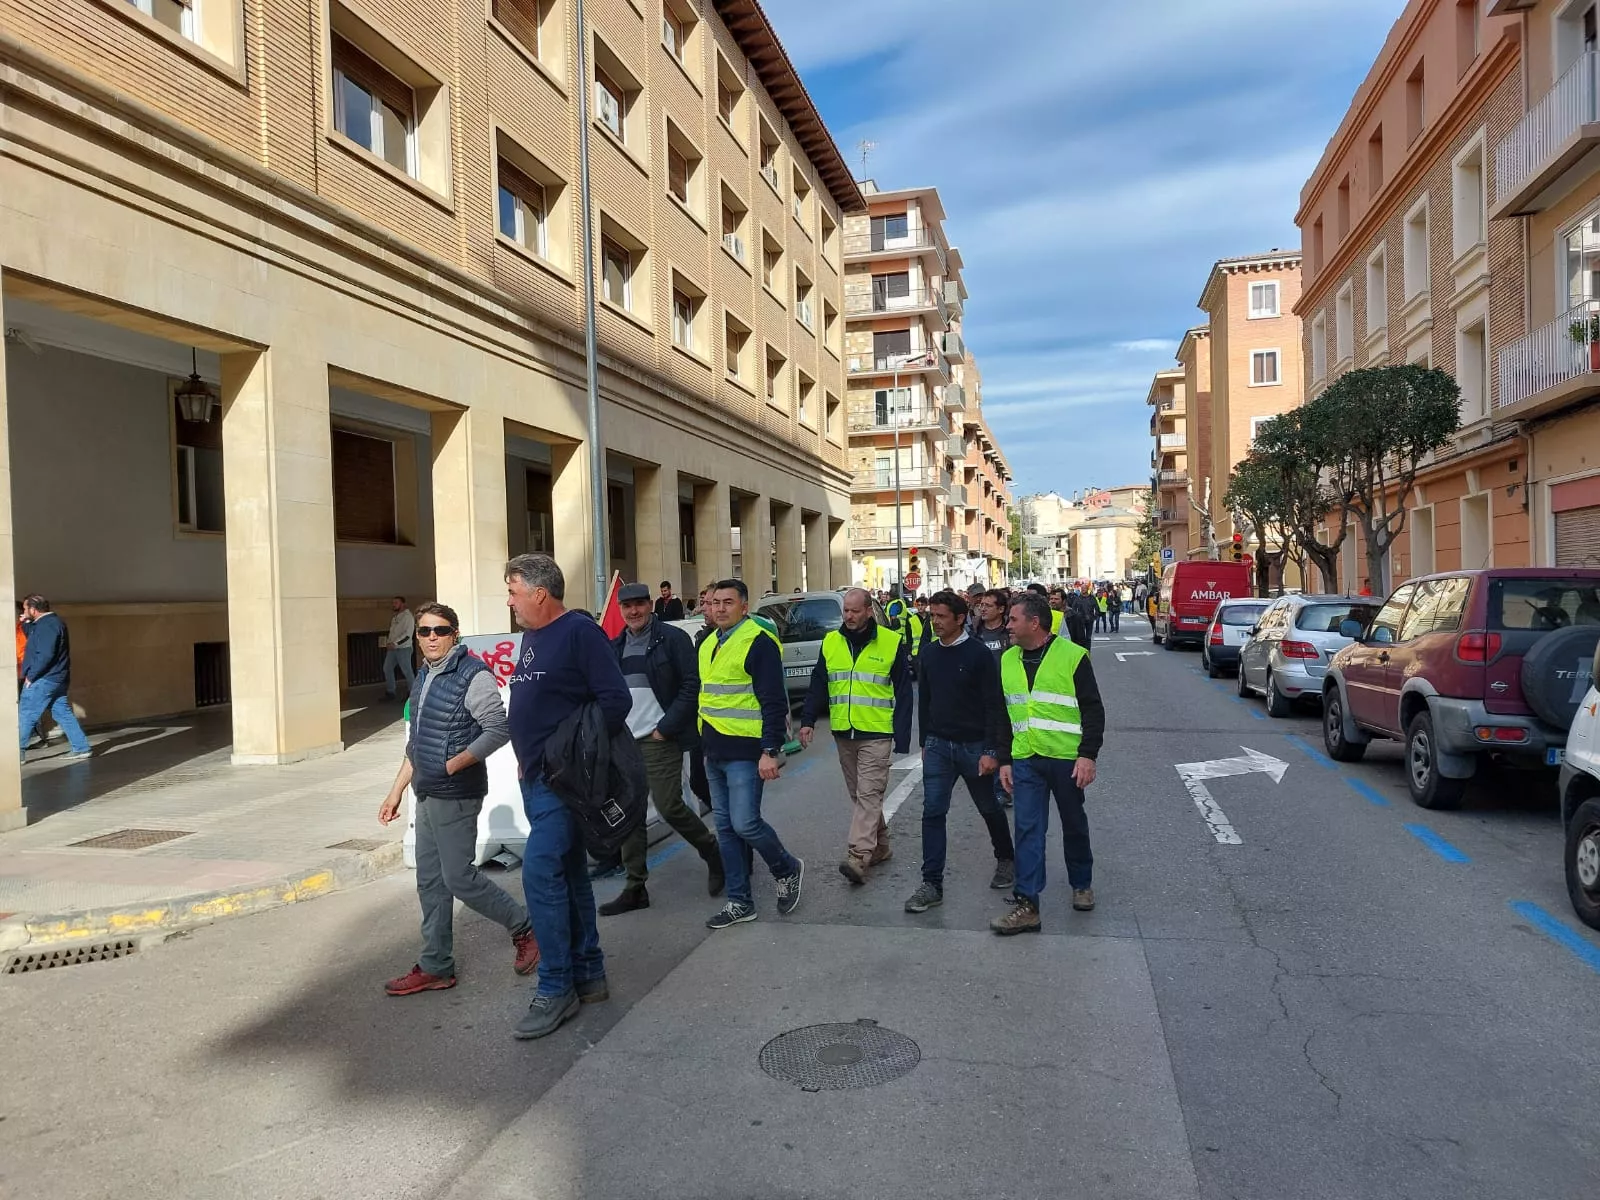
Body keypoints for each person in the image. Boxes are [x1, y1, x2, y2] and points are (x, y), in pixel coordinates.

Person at [378, 602, 539, 996]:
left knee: (459, 879)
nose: (431, 637)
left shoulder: (473, 675)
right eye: (424, 631)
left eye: (440, 630)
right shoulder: (423, 676)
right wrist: (396, 790)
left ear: (455, 634)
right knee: (430, 881)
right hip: (426, 793)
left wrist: (454, 764)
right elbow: (417, 742)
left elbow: (498, 729)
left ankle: (525, 928)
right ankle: (436, 965)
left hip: (457, 793)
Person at [504, 554, 632, 1040]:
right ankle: (589, 972)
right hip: (535, 780)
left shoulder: (579, 632)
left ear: (540, 593)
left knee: (539, 872)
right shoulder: (532, 637)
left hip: (564, 783)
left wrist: (570, 755)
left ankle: (556, 987)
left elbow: (614, 701)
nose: (510, 601)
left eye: (514, 591)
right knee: (571, 872)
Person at [600, 583, 724, 916]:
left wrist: (666, 727)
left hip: (659, 738)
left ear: (650, 606)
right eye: (627, 607)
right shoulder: (615, 646)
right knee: (629, 815)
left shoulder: (672, 639)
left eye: (639, 604)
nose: (633, 611)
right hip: (625, 742)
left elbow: (691, 685)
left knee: (669, 805)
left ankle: (712, 850)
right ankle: (635, 886)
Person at [991, 593, 1106, 936]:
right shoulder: (1008, 660)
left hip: (1066, 759)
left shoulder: (1073, 657)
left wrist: (1088, 755)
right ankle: (1028, 905)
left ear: (1034, 623)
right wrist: (1005, 760)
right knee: (1027, 829)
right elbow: (1002, 715)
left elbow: (1093, 709)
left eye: (1013, 620)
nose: (1007, 626)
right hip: (1026, 759)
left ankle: (1081, 882)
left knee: (1073, 823)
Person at [698, 578, 805, 928]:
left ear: (744, 607)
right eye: (715, 603)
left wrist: (770, 750)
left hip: (747, 751)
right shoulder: (708, 643)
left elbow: (773, 701)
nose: (719, 608)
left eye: (728, 603)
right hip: (714, 750)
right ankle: (740, 901)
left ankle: (786, 867)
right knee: (726, 829)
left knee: (745, 823)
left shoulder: (758, 643)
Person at [904, 590, 1016, 914]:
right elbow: (924, 700)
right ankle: (931, 883)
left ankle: (1005, 858)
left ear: (959, 618)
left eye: (941, 616)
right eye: (932, 616)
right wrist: (925, 741)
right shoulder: (928, 654)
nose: (935, 622)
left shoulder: (979, 655)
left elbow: (994, 704)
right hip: (938, 746)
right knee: (933, 812)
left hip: (974, 747)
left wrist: (992, 750)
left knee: (988, 807)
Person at [798, 588, 911, 886]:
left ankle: (859, 855)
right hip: (843, 732)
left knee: (869, 795)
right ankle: (881, 847)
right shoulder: (831, 642)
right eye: (845, 611)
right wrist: (807, 720)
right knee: (860, 796)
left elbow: (903, 690)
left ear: (868, 611)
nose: (848, 616)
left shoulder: (890, 643)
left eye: (854, 611)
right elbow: (819, 683)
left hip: (876, 732)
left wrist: (902, 733)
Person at [18, 596, 91, 761]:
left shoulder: (48, 625)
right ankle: (81, 748)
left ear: (33, 609)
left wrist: (32, 675)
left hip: (44, 678)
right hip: (56, 678)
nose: (23, 612)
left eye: (25, 609)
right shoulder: (48, 623)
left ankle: (17, 753)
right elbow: (35, 639)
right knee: (62, 712)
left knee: (26, 713)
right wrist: (26, 623)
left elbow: (45, 654)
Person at [382, 595, 417, 701]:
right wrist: (388, 643)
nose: (394, 605)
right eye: (393, 603)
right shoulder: (395, 617)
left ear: (403, 604)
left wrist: (395, 644)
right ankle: (390, 692)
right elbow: (393, 633)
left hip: (404, 649)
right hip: (393, 649)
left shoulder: (408, 617)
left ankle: (413, 693)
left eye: (396, 603)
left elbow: (407, 634)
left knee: (407, 670)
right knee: (387, 668)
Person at [974, 589, 1012, 660]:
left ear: (1001, 609)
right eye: (982, 605)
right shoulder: (974, 630)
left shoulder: (1011, 631)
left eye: (988, 606)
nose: (983, 609)